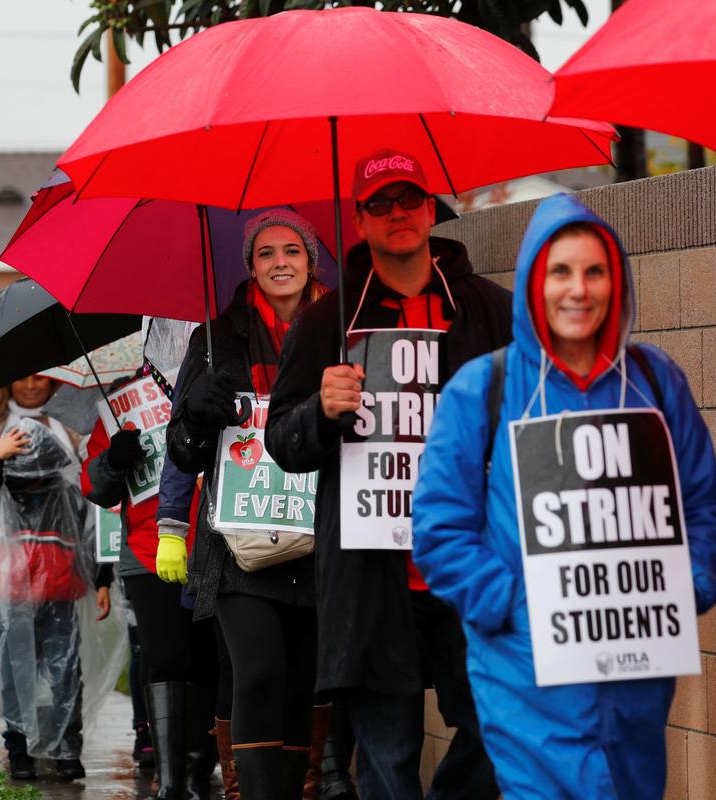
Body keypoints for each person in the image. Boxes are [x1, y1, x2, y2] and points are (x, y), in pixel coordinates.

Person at [411, 194, 716, 799]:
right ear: (532, 282)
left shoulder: (657, 381)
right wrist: (515, 607)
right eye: (561, 271)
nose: (578, 289)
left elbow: (704, 506)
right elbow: (439, 531)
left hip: (636, 676)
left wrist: (692, 581)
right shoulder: (483, 388)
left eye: (594, 271)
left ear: (616, 281)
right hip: (524, 677)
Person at [265, 149, 507, 799]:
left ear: (431, 209)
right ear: (360, 220)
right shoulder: (326, 319)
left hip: (472, 565)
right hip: (371, 575)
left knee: (496, 727)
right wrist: (321, 410)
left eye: (409, 200)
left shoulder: (487, 308)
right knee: (388, 757)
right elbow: (281, 443)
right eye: (380, 203)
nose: (398, 214)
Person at [166, 208, 325, 798]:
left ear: (311, 261)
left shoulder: (340, 331)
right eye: (266, 253)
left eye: (292, 250)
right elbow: (182, 453)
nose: (279, 262)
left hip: (317, 532)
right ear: (250, 266)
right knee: (256, 673)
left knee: (302, 683)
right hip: (235, 541)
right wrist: (196, 414)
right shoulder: (212, 340)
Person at [0, 374, 122, 782]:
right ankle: (21, 749)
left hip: (59, 589)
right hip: (12, 593)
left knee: (63, 674)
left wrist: (102, 578)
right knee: (17, 672)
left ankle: (64, 749)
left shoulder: (64, 486)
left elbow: (90, 530)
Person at [82, 369, 219, 800]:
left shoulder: (214, 378)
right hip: (146, 550)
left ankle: (199, 772)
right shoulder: (121, 398)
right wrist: (113, 460)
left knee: (206, 659)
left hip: (216, 543)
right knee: (163, 658)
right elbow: (94, 485)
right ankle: (171, 778)